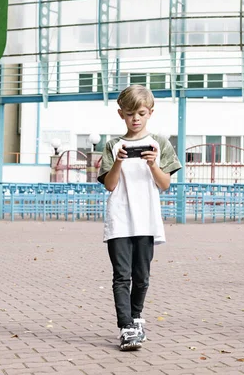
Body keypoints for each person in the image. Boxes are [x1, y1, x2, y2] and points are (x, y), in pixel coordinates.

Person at [97, 85, 182, 351]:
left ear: (150, 113)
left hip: (146, 219)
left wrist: (153, 164)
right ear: (121, 113)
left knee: (142, 276)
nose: (136, 118)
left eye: (141, 113)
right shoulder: (112, 145)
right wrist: (119, 161)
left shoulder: (160, 143)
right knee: (121, 276)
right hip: (119, 218)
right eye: (131, 113)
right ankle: (126, 327)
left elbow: (165, 184)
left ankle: (136, 319)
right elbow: (110, 185)